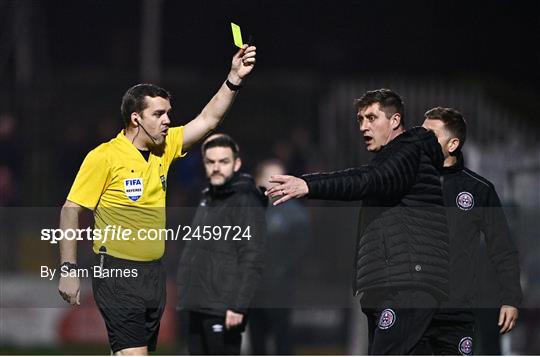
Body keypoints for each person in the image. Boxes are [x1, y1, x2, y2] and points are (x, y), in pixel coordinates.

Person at [57, 45, 257, 355]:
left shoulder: (164, 148)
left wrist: (233, 78)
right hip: (117, 272)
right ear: (136, 118)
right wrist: (69, 269)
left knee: (130, 352)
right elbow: (71, 209)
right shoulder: (105, 157)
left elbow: (208, 119)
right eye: (158, 114)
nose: (167, 120)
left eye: (168, 114)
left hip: (153, 274)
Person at [266, 88, 450, 355]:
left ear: (395, 121)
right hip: (396, 282)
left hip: (408, 282)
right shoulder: (398, 157)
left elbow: (366, 180)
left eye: (372, 118)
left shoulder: (409, 149)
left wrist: (309, 185)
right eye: (360, 119)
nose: (364, 126)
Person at [422, 107, 522, 355]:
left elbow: (502, 248)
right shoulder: (405, 183)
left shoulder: (478, 190)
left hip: (457, 309)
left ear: (453, 144)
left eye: (430, 135)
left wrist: (510, 298)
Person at [176, 133, 266, 355]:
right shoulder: (209, 196)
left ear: (236, 164)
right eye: (211, 162)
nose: (216, 167)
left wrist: (238, 305)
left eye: (223, 162)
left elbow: (252, 257)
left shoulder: (245, 201)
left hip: (223, 307)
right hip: (198, 304)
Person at [248, 159, 310, 355]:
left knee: (283, 338)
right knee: (257, 341)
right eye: (270, 177)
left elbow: (300, 250)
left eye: (279, 177)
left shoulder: (295, 214)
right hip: (253, 291)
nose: (275, 182)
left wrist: (279, 272)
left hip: (280, 289)